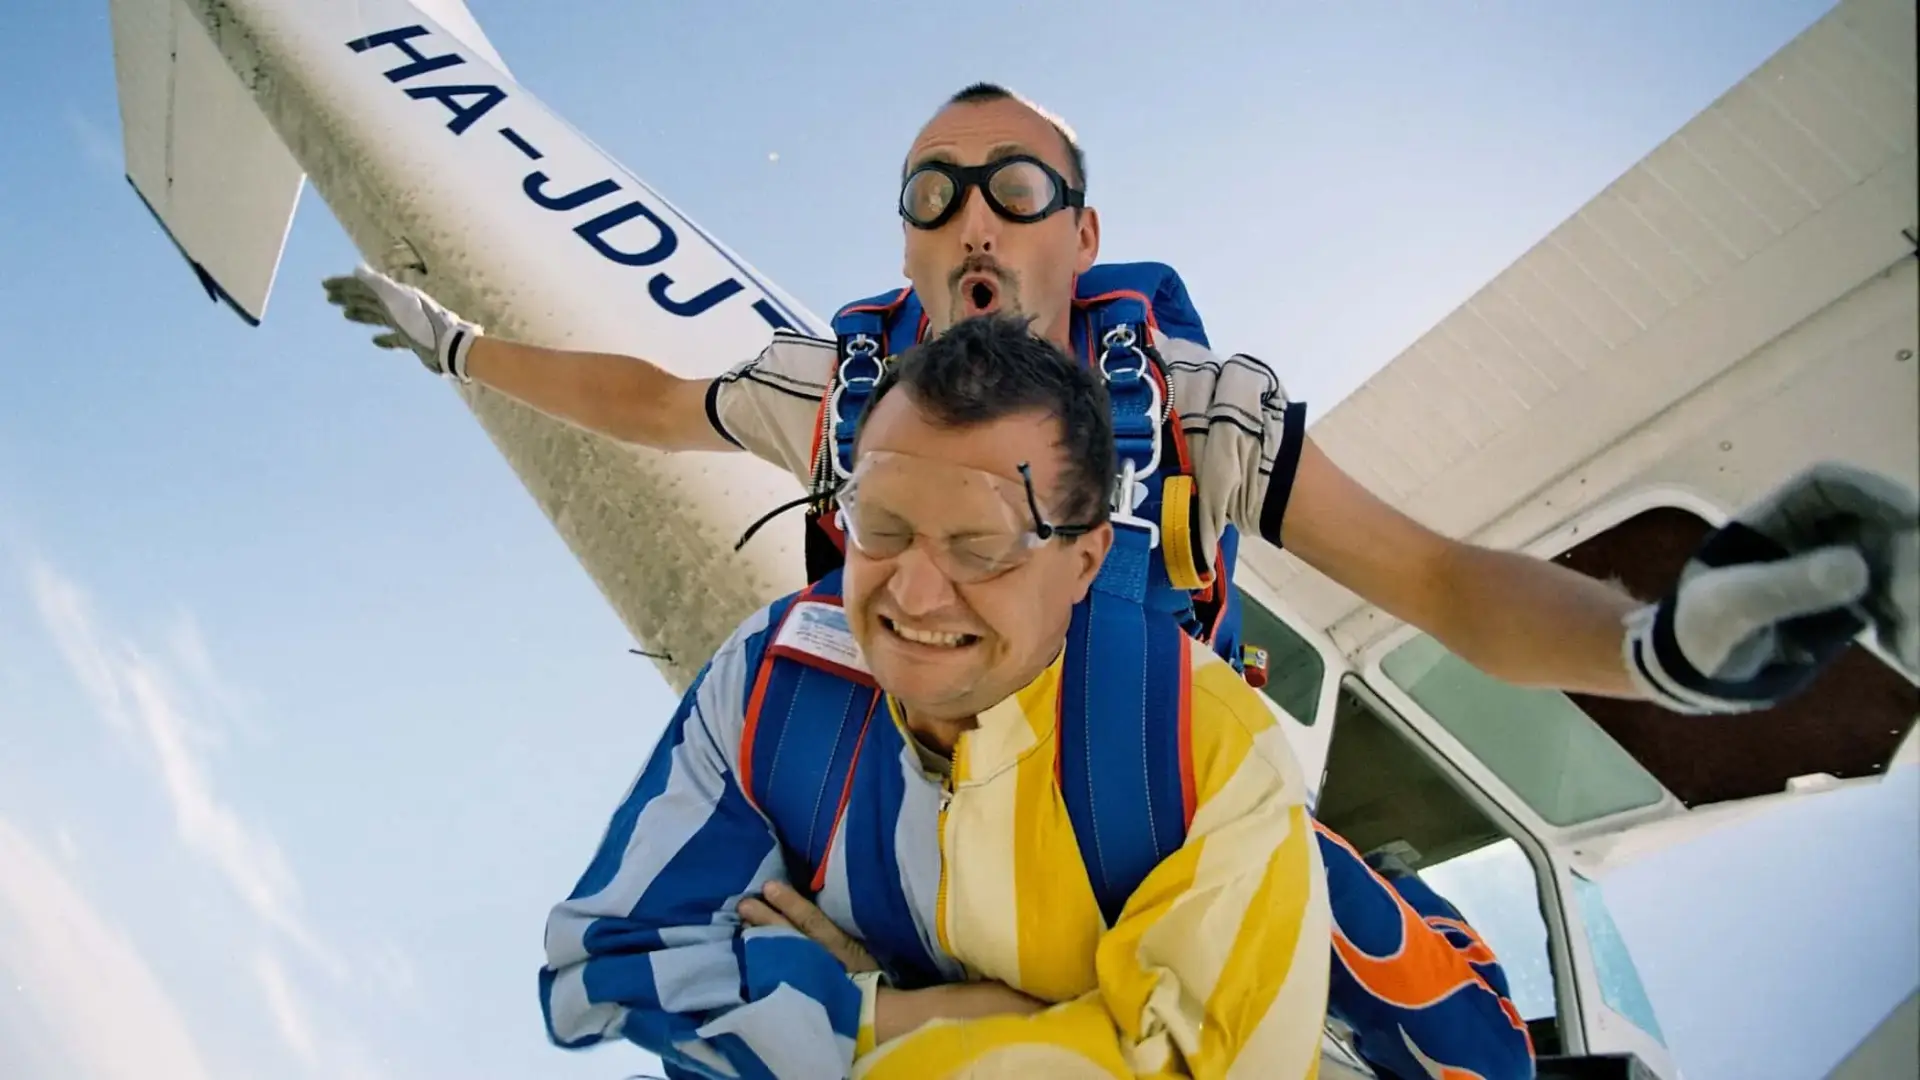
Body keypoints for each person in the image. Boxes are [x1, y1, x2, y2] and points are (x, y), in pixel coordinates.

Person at [542, 315, 1333, 1078]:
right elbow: (609, 965)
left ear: (1087, 561)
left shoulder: (1199, 748)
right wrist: (932, 1015)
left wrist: (830, 1020)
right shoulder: (775, 679)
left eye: (981, 547)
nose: (915, 595)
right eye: (881, 527)